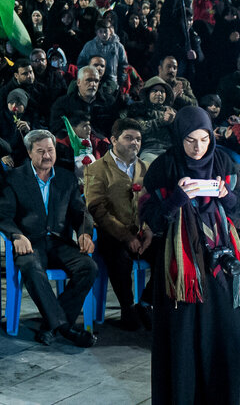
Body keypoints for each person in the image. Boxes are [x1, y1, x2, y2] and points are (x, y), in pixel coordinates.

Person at [139, 106, 240, 404]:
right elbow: (150, 217)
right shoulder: (164, 167)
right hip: (181, 266)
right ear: (179, 137)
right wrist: (176, 199)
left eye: (203, 139)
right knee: (184, 334)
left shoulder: (224, 161)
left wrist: (226, 195)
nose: (198, 147)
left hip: (222, 259)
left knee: (229, 331)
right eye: (190, 140)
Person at [0, 129, 97, 347]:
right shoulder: (14, 178)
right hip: (30, 242)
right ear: (30, 153)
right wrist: (16, 235)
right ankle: (65, 328)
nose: (47, 155)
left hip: (60, 242)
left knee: (89, 267)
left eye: (50, 150)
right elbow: (1, 214)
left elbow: (81, 212)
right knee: (31, 266)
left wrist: (85, 232)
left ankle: (52, 325)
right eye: (40, 151)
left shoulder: (66, 178)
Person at [83, 116, 153, 331]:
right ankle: (127, 308)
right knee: (118, 257)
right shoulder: (97, 169)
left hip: (141, 232)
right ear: (114, 140)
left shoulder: (146, 168)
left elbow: (153, 204)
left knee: (168, 254)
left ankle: (145, 303)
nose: (134, 143)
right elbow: (97, 209)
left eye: (138, 139)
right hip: (112, 233)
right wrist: (126, 236)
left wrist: (148, 231)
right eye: (128, 138)